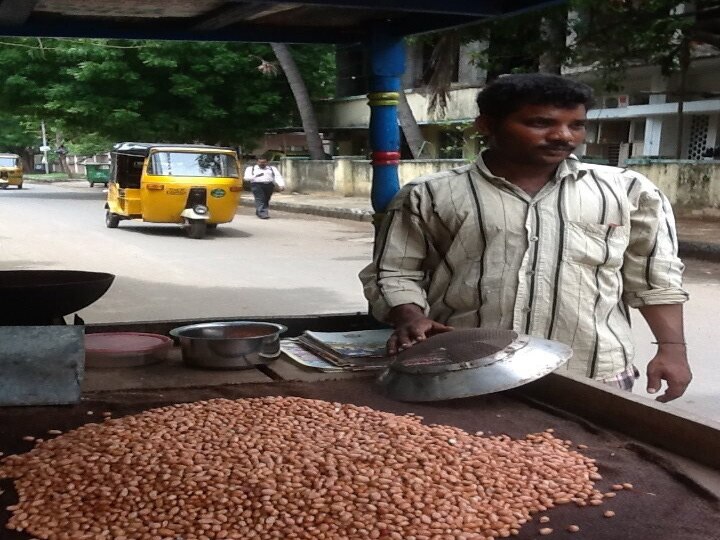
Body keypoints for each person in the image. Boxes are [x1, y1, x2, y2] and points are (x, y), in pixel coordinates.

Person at [360, 73, 692, 402]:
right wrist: (411, 317)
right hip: (463, 370)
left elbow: (654, 280)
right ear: (487, 125)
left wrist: (672, 350)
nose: (563, 135)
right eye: (540, 123)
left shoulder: (629, 191)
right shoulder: (428, 195)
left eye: (575, 124)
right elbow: (394, 272)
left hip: (592, 373)